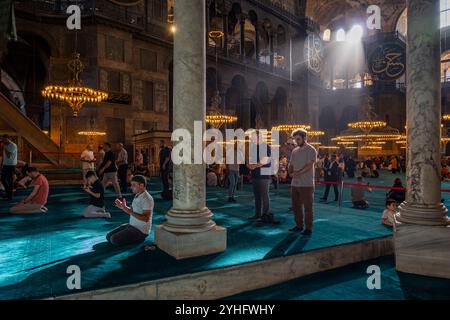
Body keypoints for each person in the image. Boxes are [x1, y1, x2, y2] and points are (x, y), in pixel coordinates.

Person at [107, 175, 154, 246]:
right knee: (108, 236)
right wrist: (124, 207)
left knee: (113, 239)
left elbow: (146, 218)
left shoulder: (147, 199)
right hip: (132, 225)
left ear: (141, 185)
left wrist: (129, 211)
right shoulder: (137, 195)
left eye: (133, 185)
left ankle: (140, 238)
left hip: (141, 231)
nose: (131, 187)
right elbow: (133, 212)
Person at [288, 129, 317, 235]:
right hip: (295, 183)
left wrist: (298, 173)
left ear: (304, 138)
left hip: (306, 183)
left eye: (298, 139)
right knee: (296, 206)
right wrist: (290, 172)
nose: (296, 141)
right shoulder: (294, 151)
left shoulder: (311, 149)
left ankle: (308, 228)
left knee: (308, 207)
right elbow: (290, 164)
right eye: (295, 140)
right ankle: (299, 225)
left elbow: (310, 165)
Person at [247, 132, 279, 224]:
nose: (252, 139)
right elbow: (249, 159)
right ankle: (257, 214)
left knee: (264, 194)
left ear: (259, 137)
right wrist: (249, 165)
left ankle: (265, 214)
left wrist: (255, 166)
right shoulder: (252, 147)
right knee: (257, 195)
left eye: (254, 137)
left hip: (264, 174)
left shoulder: (266, 146)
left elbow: (265, 160)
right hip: (255, 174)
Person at [1, 134, 17, 201]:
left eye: (4, 139)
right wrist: (2, 164)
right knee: (3, 179)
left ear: (8, 138)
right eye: (3, 139)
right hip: (5, 165)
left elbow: (9, 156)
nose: (3, 141)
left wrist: (5, 148)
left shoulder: (13, 145)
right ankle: (8, 193)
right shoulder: (6, 145)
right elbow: (4, 156)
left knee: (10, 181)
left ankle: (10, 196)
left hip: (11, 165)